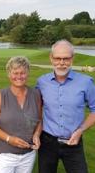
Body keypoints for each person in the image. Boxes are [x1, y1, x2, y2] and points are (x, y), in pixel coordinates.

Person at [36, 39, 95, 173]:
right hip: (47, 143)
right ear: (51, 58)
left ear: (72, 59)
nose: (61, 63)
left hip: (74, 142)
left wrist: (81, 130)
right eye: (57, 58)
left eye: (66, 59)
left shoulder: (86, 82)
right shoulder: (42, 82)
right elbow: (34, 107)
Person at [0, 56, 42, 173]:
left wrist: (37, 134)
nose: (19, 76)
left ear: (28, 73)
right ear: (9, 74)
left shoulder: (36, 95)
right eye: (15, 73)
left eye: (23, 73)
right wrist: (9, 139)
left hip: (28, 154)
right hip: (4, 155)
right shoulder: (0, 96)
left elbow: (39, 120)